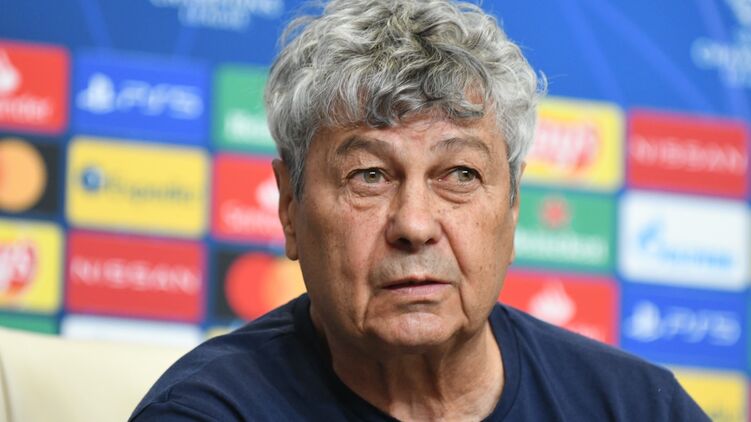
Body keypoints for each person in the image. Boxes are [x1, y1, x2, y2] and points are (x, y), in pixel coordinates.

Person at [131, 0, 709, 420]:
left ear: (512, 208)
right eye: (369, 176)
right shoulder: (207, 412)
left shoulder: (638, 407)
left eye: (460, 174)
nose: (413, 224)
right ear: (289, 207)